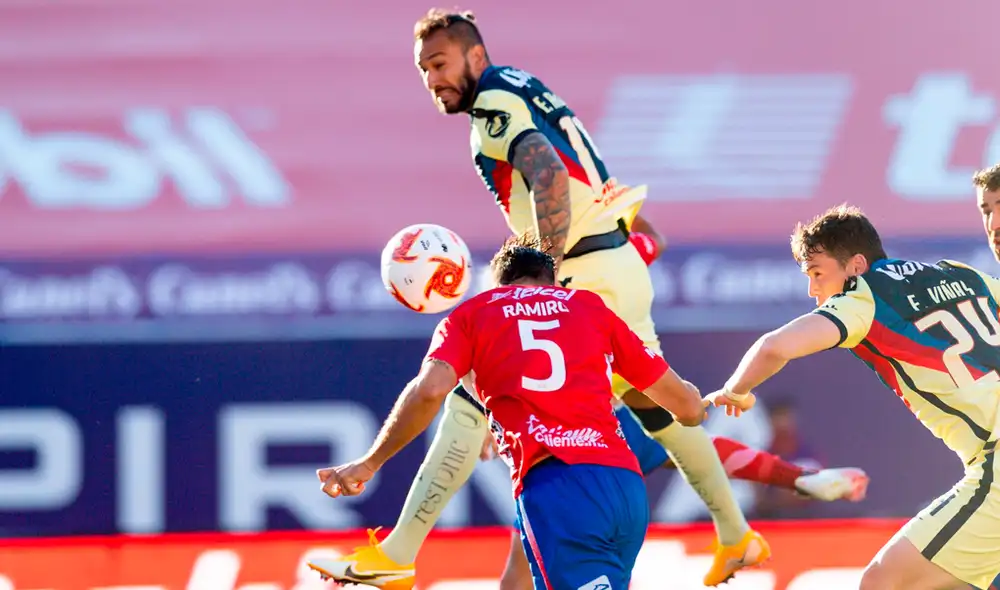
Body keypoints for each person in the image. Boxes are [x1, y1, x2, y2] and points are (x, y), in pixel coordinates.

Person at [311, 8, 768, 587]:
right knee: (657, 405)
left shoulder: (492, 107)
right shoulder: (532, 89)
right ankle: (735, 535)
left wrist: (543, 277)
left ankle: (398, 553)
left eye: (440, 63)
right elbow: (588, 173)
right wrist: (628, 237)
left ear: (476, 56)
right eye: (423, 70)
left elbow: (549, 174)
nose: (433, 79)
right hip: (616, 259)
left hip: (582, 270)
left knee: (467, 392)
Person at [310, 234, 707, 590]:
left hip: (558, 485)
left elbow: (430, 390)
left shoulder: (473, 315)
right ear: (551, 281)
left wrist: (370, 461)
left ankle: (396, 556)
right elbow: (687, 409)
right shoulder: (590, 308)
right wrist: (703, 400)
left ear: (499, 284)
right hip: (624, 486)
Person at [495, 229, 868, 590]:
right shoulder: (593, 320)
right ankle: (737, 531)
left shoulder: (495, 328)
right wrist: (798, 478)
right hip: (602, 480)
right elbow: (696, 442)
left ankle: (737, 532)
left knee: (518, 578)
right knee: (674, 435)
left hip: (551, 484)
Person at [704, 203, 1000, 590]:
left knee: (882, 583)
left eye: (817, 273)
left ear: (857, 265)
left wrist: (735, 391)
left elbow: (774, 347)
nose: (813, 290)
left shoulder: (864, 296)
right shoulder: (964, 275)